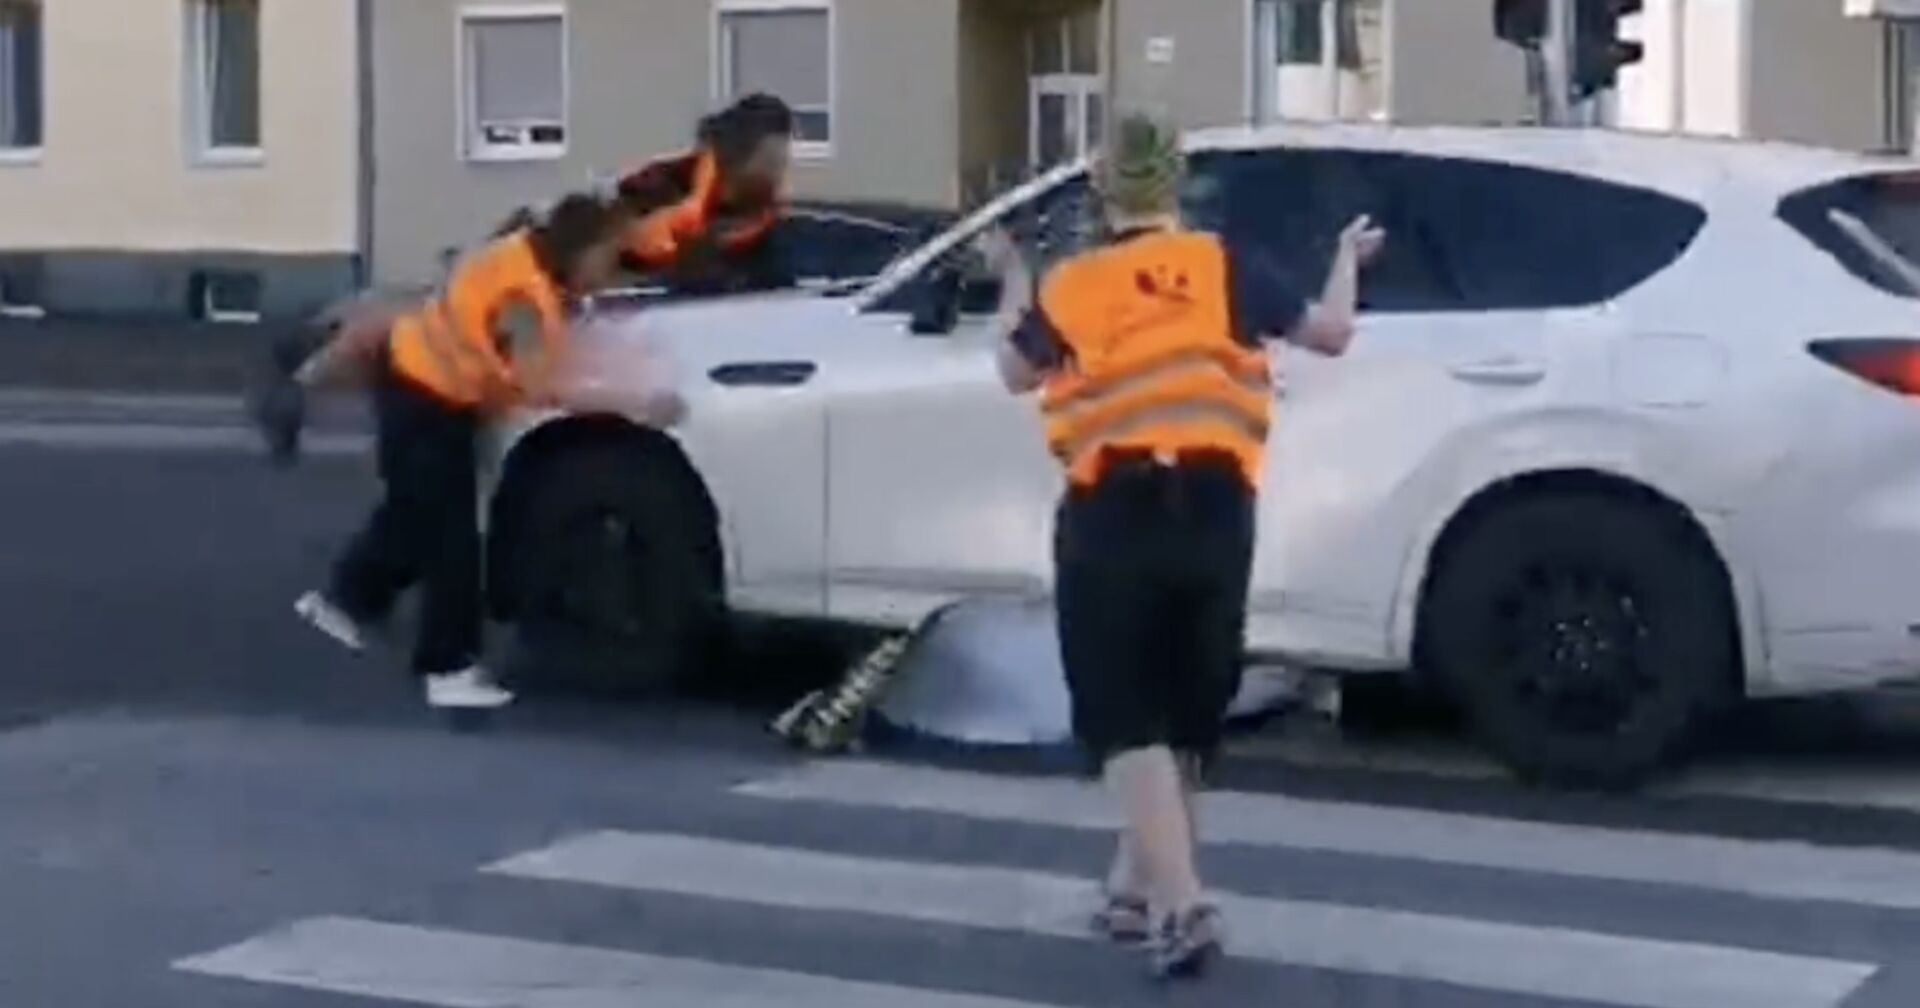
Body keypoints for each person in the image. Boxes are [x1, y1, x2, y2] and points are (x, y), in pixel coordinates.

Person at [988, 112, 1384, 978]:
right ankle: (1135, 892)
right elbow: (1332, 334)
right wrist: (1347, 263)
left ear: (1101, 191)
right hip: (1218, 507)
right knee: (1187, 711)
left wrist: (1014, 273)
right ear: (1174, 186)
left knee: (1123, 713)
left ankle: (1182, 903)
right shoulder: (1223, 264)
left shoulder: (1077, 282)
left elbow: (1016, 371)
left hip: (1114, 509)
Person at [292, 191, 639, 710]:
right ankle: (447, 666)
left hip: (412, 376)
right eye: (609, 256)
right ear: (581, 249)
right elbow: (539, 386)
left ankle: (345, 600)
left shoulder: (517, 252)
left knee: (415, 513)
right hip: (430, 401)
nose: (612, 270)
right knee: (452, 543)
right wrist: (635, 404)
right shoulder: (524, 301)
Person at [615, 92, 796, 294]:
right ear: (737, 160)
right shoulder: (658, 190)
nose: (780, 175)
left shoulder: (763, 220)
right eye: (772, 163)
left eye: (782, 163)